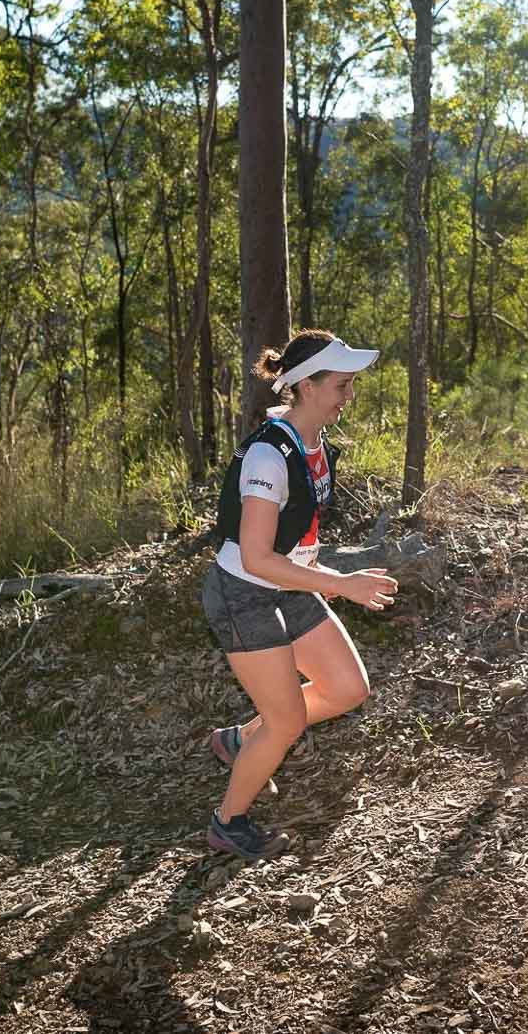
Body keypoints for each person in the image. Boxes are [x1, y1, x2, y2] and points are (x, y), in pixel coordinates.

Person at [201, 329, 400, 861]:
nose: (349, 396)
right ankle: (228, 822)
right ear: (306, 387)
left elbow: (294, 541)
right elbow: (255, 557)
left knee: (346, 687)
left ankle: (242, 741)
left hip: (284, 583)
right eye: (341, 385)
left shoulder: (314, 447)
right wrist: (342, 585)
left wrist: (326, 576)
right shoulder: (268, 457)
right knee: (286, 720)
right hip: (243, 592)